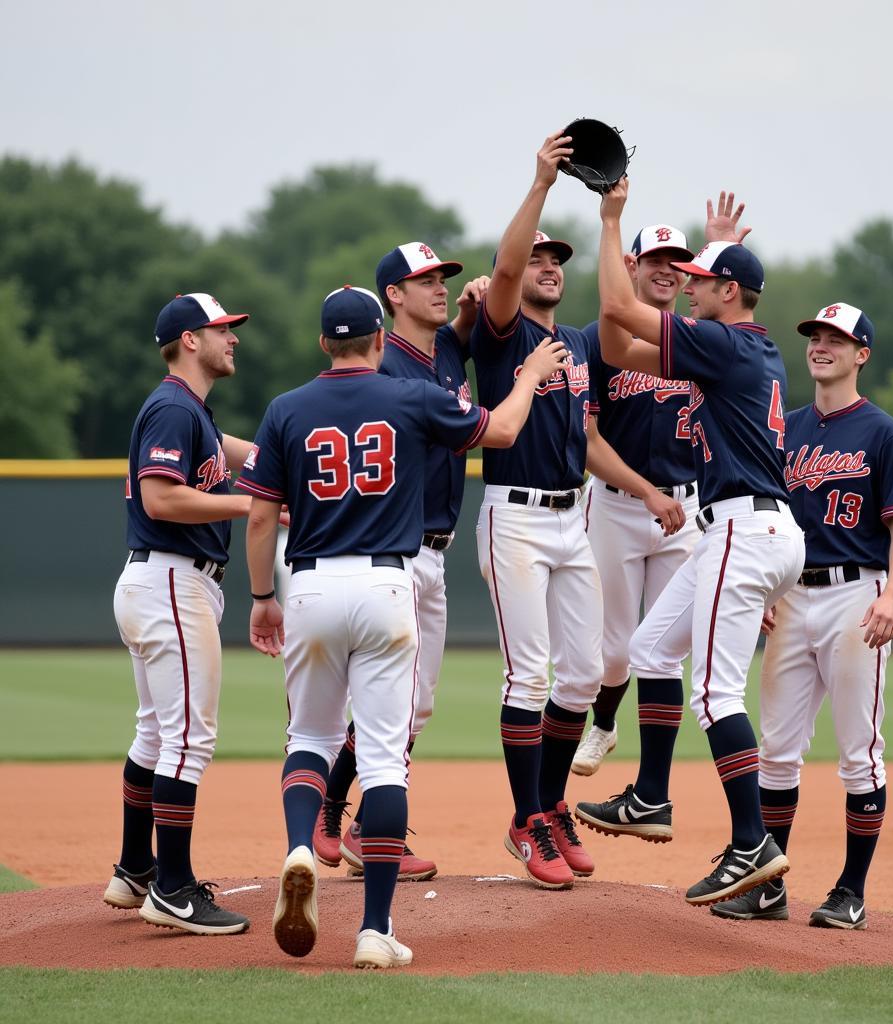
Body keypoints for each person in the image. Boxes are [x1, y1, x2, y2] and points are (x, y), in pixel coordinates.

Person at [239, 286, 566, 967]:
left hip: (311, 582)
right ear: (380, 341)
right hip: (389, 582)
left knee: (311, 736)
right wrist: (531, 377)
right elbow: (501, 431)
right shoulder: (411, 396)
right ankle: (374, 930)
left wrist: (262, 595)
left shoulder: (286, 409)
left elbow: (262, 514)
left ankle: (302, 843)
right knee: (386, 758)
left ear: (325, 343)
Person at [579, 182, 805, 905]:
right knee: (650, 650)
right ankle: (650, 795)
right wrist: (715, 242)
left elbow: (617, 309)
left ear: (731, 291)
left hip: (743, 525)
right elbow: (618, 345)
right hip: (737, 529)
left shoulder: (726, 345)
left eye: (706, 280)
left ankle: (750, 843)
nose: (692, 287)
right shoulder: (739, 348)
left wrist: (611, 219)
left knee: (713, 691)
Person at [470, 132, 683, 891]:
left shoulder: (579, 350)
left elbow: (591, 438)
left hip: (572, 519)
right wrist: (539, 183)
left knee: (588, 671)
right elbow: (501, 267)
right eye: (540, 259)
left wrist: (610, 220)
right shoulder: (504, 339)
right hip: (516, 517)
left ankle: (549, 805)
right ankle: (527, 820)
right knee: (529, 676)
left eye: (558, 260)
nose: (548, 267)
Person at [710, 302, 893, 928]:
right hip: (793, 595)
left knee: (859, 752)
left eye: (837, 338)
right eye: (815, 335)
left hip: (856, 596)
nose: (822, 345)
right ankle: (768, 886)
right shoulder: (789, 427)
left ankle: (851, 890)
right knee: (777, 751)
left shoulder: (884, 432)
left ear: (862, 354)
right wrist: (768, 588)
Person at [313, 242, 489, 882]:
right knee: (397, 700)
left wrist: (468, 317)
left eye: (444, 276)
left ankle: (351, 818)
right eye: (426, 280)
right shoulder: (383, 371)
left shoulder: (443, 347)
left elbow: (464, 337)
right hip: (394, 548)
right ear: (393, 295)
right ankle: (344, 814)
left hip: (434, 549)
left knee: (416, 706)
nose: (441, 286)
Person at [103, 293, 253, 935]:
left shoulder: (186, 410)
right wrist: (254, 509)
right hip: (171, 580)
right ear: (190, 340)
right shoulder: (171, 407)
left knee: (156, 736)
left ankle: (135, 868)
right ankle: (172, 888)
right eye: (223, 330)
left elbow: (231, 450)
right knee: (188, 741)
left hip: (155, 580)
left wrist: (286, 459)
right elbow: (163, 499)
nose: (234, 339)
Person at [572, 223, 702, 784]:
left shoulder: (701, 340)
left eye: (678, 260)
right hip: (620, 507)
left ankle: (654, 784)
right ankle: (604, 722)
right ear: (632, 266)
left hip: (688, 509)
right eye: (656, 259)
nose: (667, 268)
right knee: (614, 651)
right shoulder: (598, 342)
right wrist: (647, 493)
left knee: (667, 647)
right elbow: (588, 442)